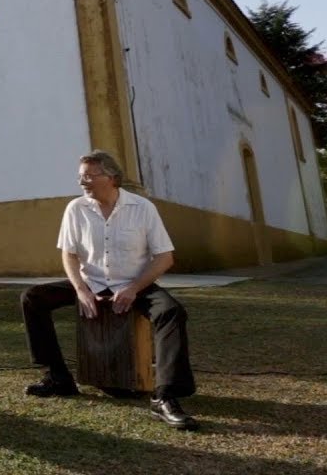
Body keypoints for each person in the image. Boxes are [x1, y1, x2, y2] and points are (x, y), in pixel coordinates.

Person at [19, 150, 199, 430]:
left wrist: (133, 288)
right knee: (33, 298)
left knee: (171, 312)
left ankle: (165, 396)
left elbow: (165, 258)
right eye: (80, 177)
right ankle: (58, 377)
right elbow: (69, 255)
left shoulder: (143, 208)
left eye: (89, 176)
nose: (82, 182)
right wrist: (80, 289)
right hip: (91, 282)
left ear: (112, 178)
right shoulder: (75, 208)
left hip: (135, 284)